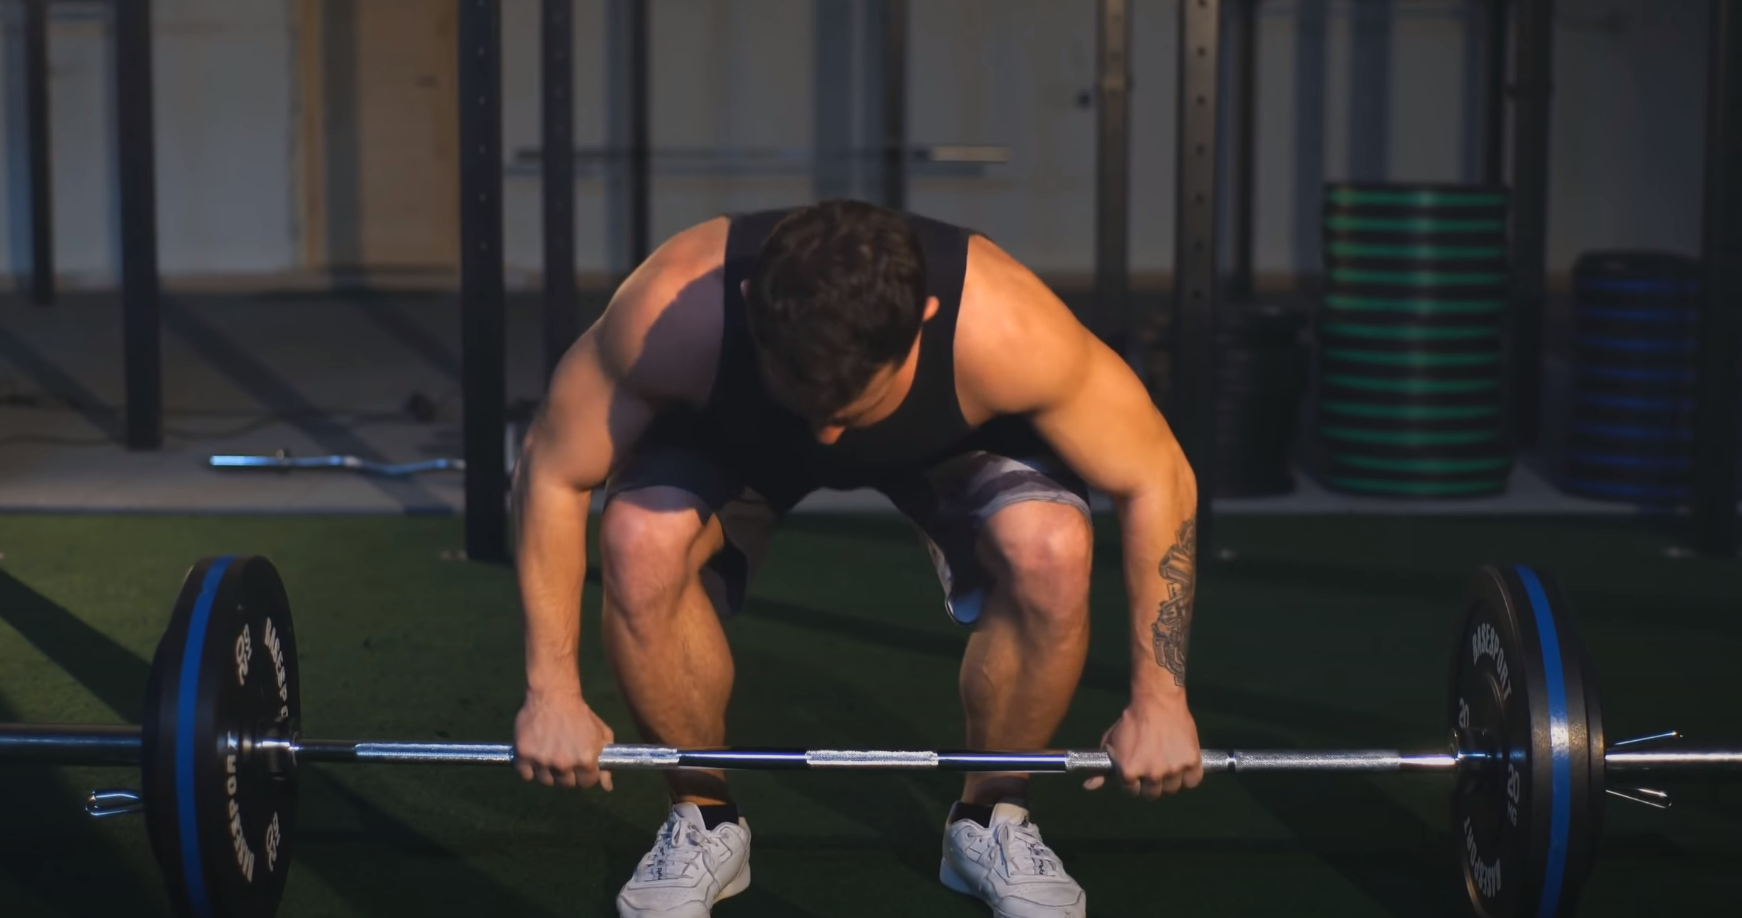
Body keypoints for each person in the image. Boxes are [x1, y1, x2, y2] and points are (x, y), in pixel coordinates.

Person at [511, 200, 1203, 917]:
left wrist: (1161, 701)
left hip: (949, 447)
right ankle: (704, 818)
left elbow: (1157, 475)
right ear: (751, 307)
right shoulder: (675, 314)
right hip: (733, 441)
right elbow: (553, 471)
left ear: (927, 317)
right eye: (810, 402)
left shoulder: (1003, 325)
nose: (831, 435)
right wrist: (551, 693)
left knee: (1052, 547)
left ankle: (991, 818)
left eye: (855, 407)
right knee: (636, 538)